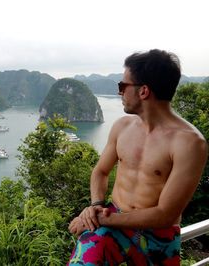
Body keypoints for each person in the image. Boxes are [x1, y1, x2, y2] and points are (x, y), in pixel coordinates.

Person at [67, 49, 208, 265]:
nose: (119, 92)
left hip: (158, 235)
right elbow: (100, 172)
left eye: (123, 86)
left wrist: (102, 218)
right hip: (113, 222)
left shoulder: (189, 143)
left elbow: (166, 214)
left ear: (143, 91)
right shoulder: (122, 127)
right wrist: (96, 206)